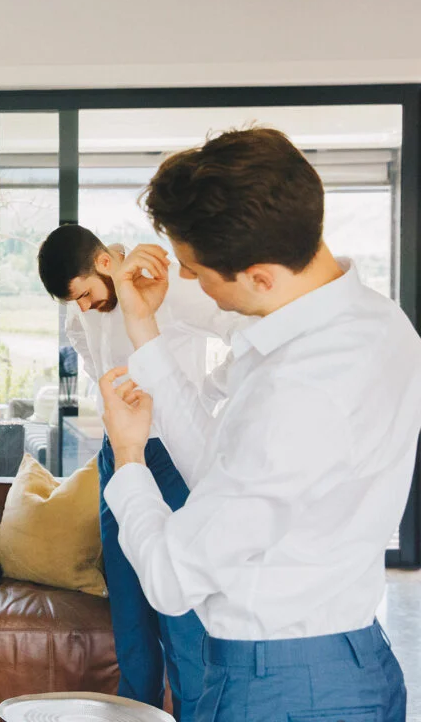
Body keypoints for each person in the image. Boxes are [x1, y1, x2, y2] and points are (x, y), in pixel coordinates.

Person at [98, 127, 421, 722]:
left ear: (260, 276)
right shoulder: (375, 322)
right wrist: (143, 327)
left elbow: (171, 578)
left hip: (281, 687)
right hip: (345, 661)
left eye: (195, 269)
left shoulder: (300, 388)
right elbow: (224, 468)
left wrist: (128, 457)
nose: (188, 281)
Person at [37, 224, 244, 719]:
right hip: (118, 455)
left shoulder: (167, 288)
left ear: (105, 263)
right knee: (129, 610)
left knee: (181, 611)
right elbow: (81, 339)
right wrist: (107, 386)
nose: (82, 307)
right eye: (74, 301)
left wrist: (206, 392)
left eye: (84, 294)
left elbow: (245, 335)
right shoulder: (83, 308)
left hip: (172, 456)